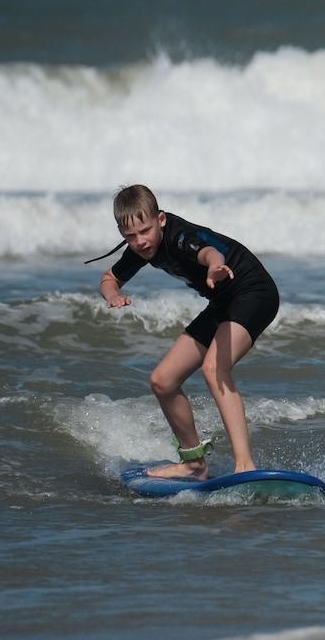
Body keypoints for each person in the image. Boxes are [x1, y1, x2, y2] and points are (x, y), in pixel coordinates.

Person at [93, 184, 279, 480]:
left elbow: (209, 252)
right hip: (222, 302)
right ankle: (194, 464)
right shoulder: (140, 248)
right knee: (162, 381)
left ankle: (245, 465)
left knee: (215, 368)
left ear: (161, 220)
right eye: (130, 236)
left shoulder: (179, 238)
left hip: (254, 293)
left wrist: (215, 268)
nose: (140, 242)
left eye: (145, 230)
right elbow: (109, 277)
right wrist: (112, 295)